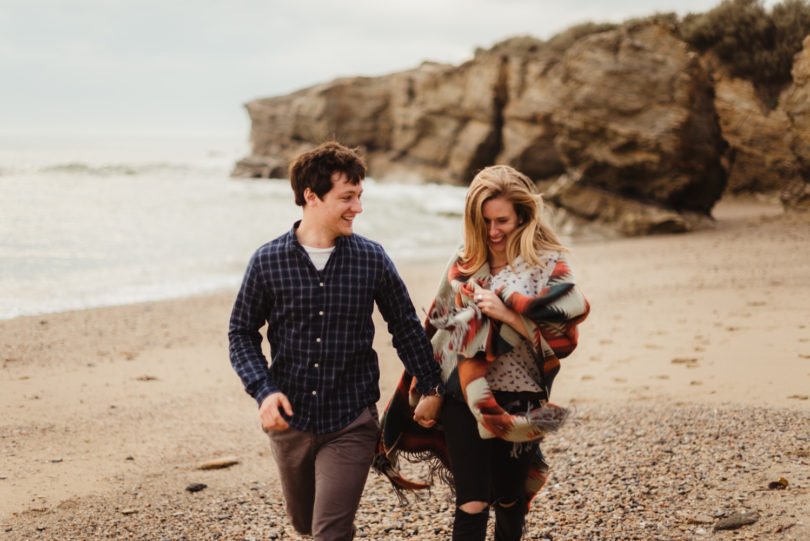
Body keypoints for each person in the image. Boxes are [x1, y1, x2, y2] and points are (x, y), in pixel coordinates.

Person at [228, 141, 444, 541]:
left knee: (331, 530)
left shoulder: (371, 258)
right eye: (347, 197)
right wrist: (264, 391)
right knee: (305, 524)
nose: (357, 208)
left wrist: (431, 385)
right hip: (290, 420)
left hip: (352, 419)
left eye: (359, 196)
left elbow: (405, 325)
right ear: (311, 196)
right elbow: (241, 333)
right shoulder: (267, 261)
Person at [376, 165, 589, 541]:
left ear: (523, 215)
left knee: (509, 498)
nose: (493, 232)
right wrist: (431, 392)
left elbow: (563, 340)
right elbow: (441, 334)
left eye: (502, 220)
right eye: (484, 221)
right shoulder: (464, 263)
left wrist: (509, 315)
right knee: (471, 501)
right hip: (461, 394)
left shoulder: (547, 266)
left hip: (521, 397)